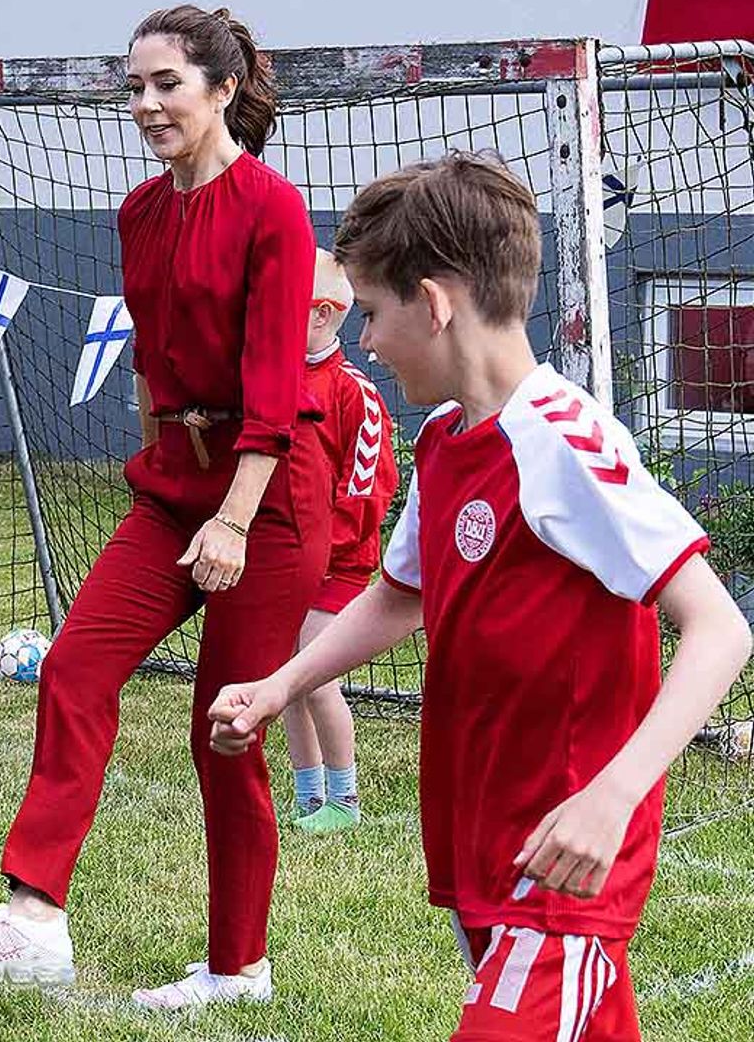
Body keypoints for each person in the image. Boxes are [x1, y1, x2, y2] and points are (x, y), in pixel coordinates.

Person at [209, 152, 752, 1040]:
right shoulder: (448, 440)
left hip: (568, 855)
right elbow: (397, 595)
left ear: (434, 303)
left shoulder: (565, 440)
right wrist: (280, 687)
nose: (367, 343)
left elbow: (719, 628)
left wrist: (611, 798)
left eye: (375, 315)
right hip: (484, 832)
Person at [0, 5, 331, 1009]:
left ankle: (239, 969)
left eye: (166, 85)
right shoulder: (139, 212)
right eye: (134, 86)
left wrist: (231, 519)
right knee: (79, 667)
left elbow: (277, 392)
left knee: (225, 731)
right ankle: (34, 919)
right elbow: (152, 356)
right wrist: (166, 473)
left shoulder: (274, 209)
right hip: (174, 488)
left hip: (265, 503)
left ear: (222, 89)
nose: (144, 104)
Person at [282, 248, 397, 834]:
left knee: (316, 675)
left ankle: (345, 799)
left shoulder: (356, 392)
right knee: (287, 678)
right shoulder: (275, 379)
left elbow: (370, 485)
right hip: (287, 559)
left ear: (323, 315)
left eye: (284, 309)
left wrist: (331, 548)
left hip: (340, 564)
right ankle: (308, 796)